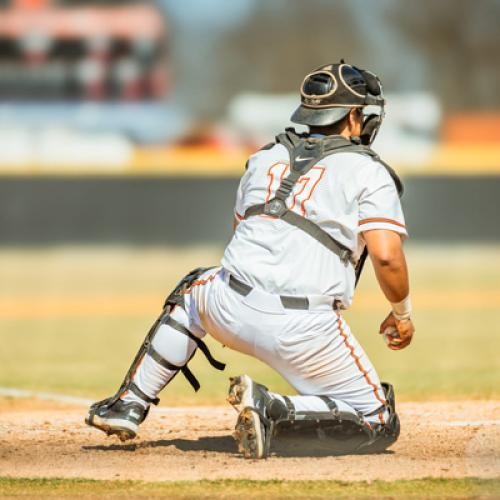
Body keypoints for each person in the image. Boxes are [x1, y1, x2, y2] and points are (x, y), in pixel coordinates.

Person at [86, 61, 415, 459]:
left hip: (226, 305)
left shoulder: (264, 156)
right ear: (351, 114)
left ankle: (128, 403)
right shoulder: (369, 170)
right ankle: (274, 408)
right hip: (304, 329)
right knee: (378, 420)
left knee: (194, 287)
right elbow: (386, 257)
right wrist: (402, 313)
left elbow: (245, 231)